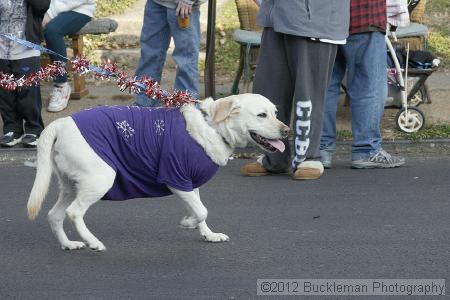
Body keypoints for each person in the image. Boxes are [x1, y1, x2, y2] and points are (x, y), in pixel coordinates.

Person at [240, 0, 350, 180]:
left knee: (308, 94)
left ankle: (308, 158)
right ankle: (275, 157)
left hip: (315, 20)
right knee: (268, 90)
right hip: (276, 18)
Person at [320, 0, 406, 169]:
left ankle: (319, 150)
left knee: (323, 85)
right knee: (368, 84)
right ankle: (366, 150)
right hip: (364, 13)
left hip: (322, 16)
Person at [134, 0, 207, 107]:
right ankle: (144, 105)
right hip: (155, 3)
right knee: (149, 55)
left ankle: (186, 110)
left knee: (186, 59)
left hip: (183, 6)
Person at [0, 0, 50, 148]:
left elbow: (42, 6)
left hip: (26, 49)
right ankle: (12, 129)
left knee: (28, 92)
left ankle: (33, 129)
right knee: (6, 93)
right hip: (2, 49)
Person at [43, 0, 95, 112]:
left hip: (79, 9)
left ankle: (61, 85)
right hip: (47, 7)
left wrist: (49, 13)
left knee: (52, 30)